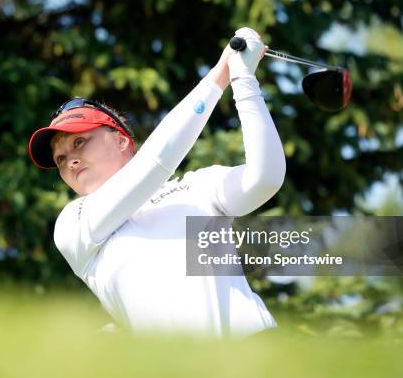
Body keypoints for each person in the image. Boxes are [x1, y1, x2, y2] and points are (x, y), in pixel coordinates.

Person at [28, 27, 286, 338]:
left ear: (121, 141)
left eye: (79, 143)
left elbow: (265, 178)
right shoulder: (74, 224)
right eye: (59, 159)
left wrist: (244, 80)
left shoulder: (196, 188)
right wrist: (220, 75)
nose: (69, 160)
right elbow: (154, 164)